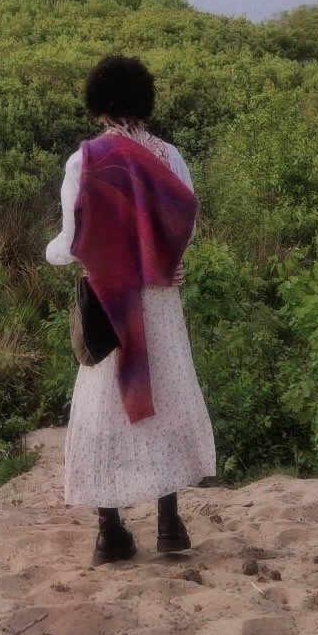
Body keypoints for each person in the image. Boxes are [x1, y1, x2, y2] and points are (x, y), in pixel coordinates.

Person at [45, 54, 218, 564]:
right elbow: (188, 221)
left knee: (102, 409)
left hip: (110, 298)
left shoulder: (86, 160)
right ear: (144, 99)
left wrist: (50, 253)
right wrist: (172, 262)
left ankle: (110, 532)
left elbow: (72, 240)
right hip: (160, 297)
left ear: (98, 103)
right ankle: (169, 525)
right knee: (164, 398)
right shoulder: (170, 156)